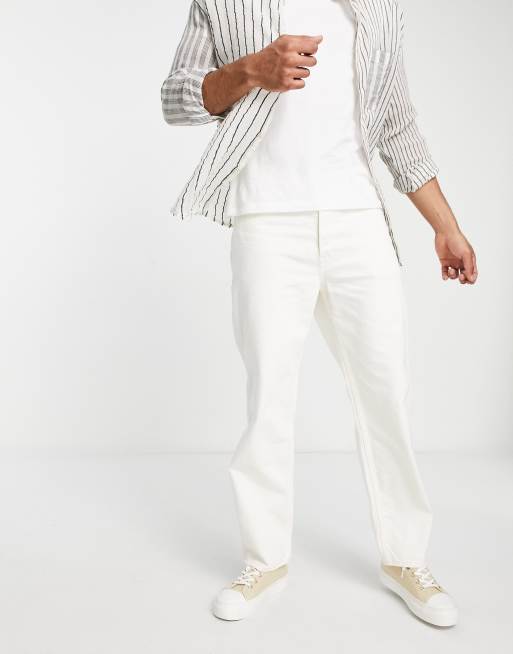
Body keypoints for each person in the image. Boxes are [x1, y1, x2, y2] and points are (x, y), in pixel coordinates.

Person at [161, 0, 478, 626]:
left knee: (385, 391)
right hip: (265, 220)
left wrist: (445, 226)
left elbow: (396, 125)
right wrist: (251, 69)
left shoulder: (379, 8)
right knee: (269, 399)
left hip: (357, 219)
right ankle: (264, 561)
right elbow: (176, 100)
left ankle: (406, 559)